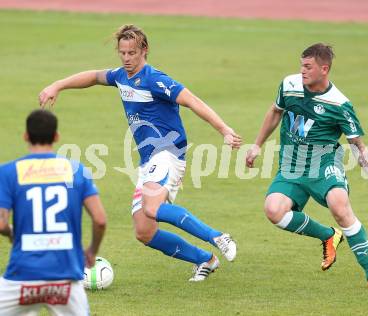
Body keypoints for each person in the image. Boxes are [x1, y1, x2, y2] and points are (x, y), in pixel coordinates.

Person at [39, 24, 241, 282]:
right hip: (149, 160)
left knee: (152, 207)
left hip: (168, 153)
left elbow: (193, 101)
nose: (126, 58)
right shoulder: (121, 76)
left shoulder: (155, 79)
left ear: (144, 50)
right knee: (144, 231)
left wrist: (224, 129)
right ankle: (205, 260)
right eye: (122, 53)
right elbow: (93, 76)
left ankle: (218, 237)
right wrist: (58, 85)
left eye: (131, 53)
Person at [246, 43, 368, 291]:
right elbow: (275, 111)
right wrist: (257, 145)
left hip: (324, 165)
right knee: (273, 210)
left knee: (339, 205)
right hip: (291, 166)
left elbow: (357, 145)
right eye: (301, 65)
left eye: (308, 67)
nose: (302, 71)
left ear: (324, 69)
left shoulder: (339, 104)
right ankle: (328, 235)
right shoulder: (289, 85)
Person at [0, 109, 107, 315]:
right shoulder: (78, 171)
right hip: (66, 280)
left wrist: (11, 232)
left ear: (26, 136)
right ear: (56, 137)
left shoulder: (8, 172)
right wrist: (92, 251)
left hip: (22, 277)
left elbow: (1, 223)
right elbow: (100, 220)